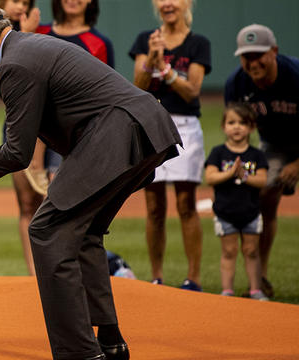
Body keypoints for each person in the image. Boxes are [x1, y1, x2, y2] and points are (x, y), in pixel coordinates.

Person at [0, 2, 181, 359]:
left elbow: (16, 153)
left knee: (46, 230)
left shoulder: (14, 64)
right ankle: (110, 341)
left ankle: (79, 352)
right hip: (144, 129)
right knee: (84, 230)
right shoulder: (30, 47)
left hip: (118, 134)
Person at [129, 0, 211, 291]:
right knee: (154, 207)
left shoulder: (198, 43)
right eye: (162, 0)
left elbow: (192, 91)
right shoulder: (146, 40)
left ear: (187, 3)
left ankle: (193, 278)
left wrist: (165, 69)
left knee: (186, 204)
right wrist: (151, 58)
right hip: (152, 122)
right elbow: (137, 86)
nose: (168, 4)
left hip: (185, 125)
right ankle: (157, 277)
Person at [224, 24, 299, 299]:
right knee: (264, 193)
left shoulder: (295, 75)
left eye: (259, 54)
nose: (253, 62)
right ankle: (261, 276)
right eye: (247, 56)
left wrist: (297, 166)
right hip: (274, 145)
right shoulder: (237, 84)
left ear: (274, 52)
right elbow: (237, 132)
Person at [0, 0, 40, 275]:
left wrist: (31, 34)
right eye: (15, 0)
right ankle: (33, 275)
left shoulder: (43, 31)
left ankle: (53, 269)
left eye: (25, 2)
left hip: (50, 130)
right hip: (17, 125)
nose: (21, 6)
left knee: (51, 201)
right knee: (27, 203)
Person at [204, 103, 269, 301]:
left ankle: (255, 290)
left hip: (250, 212)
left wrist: (245, 176)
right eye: (232, 122)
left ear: (251, 127)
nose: (237, 127)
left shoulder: (256, 155)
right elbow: (210, 178)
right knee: (229, 251)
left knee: (251, 251)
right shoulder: (218, 152)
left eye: (243, 122)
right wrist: (231, 173)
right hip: (225, 213)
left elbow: (263, 180)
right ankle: (227, 291)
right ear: (224, 126)